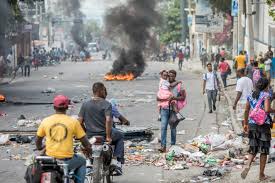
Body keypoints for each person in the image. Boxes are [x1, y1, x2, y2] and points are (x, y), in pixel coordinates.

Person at [36, 95, 92, 183]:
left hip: (49, 160)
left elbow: (38, 140)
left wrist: (40, 147)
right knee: (82, 161)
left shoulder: (46, 121)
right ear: (67, 107)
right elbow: (85, 141)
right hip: (66, 161)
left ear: (54, 107)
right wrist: (88, 149)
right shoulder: (73, 122)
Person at [78, 82, 124, 175]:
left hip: (90, 136)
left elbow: (79, 122)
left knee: (83, 145)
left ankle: (88, 162)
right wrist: (108, 136)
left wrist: (85, 132)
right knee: (120, 136)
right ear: (100, 91)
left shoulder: (85, 104)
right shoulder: (106, 104)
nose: (105, 92)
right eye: (104, 90)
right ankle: (116, 161)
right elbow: (108, 120)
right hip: (104, 134)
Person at [241, 78, 274, 181]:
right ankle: (261, 175)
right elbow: (267, 109)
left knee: (253, 147)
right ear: (265, 86)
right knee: (263, 150)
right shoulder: (266, 95)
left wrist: (245, 124)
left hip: (252, 124)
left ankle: (247, 165)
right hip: (263, 125)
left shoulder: (250, 95)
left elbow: (246, 110)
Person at [157, 70, 186, 153]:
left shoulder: (179, 86)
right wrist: (166, 99)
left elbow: (183, 97)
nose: (170, 77)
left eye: (172, 76)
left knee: (173, 128)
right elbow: (158, 98)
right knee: (163, 127)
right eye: (169, 76)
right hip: (164, 109)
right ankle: (163, 146)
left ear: (175, 77)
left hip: (173, 110)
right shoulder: (164, 84)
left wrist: (174, 98)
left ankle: (173, 145)